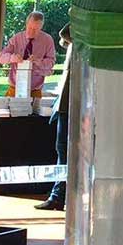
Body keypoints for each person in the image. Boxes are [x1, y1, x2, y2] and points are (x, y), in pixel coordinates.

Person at [38, 24, 72, 212]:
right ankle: (58, 195)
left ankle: (58, 196)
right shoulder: (76, 45)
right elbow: (64, 37)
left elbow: (63, 33)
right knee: (62, 150)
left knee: (64, 149)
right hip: (66, 101)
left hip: (71, 102)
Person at [0, 10, 57, 98]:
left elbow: (51, 62)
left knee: (34, 108)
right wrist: (12, 58)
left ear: (41, 27)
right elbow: (1, 58)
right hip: (14, 88)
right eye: (30, 28)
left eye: (35, 29)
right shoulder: (16, 38)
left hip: (35, 91)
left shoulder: (47, 40)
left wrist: (39, 61)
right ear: (26, 24)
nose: (32, 32)